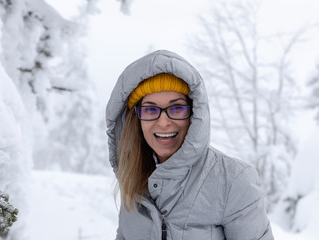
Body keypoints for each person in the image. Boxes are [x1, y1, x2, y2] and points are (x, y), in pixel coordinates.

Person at [106, 50, 274, 240]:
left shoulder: (233, 181)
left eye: (176, 108)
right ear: (136, 119)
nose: (163, 122)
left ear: (195, 114)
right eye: (151, 109)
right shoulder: (134, 178)